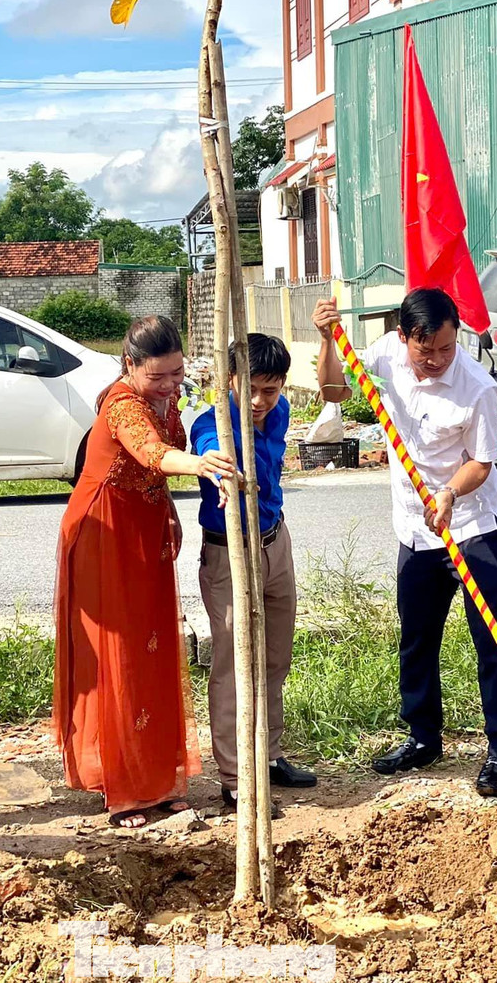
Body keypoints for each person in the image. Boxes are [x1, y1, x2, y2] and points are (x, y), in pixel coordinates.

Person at [313, 290, 497, 797]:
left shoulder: (477, 387)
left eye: (446, 349)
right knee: (416, 637)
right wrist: (327, 340)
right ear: (404, 337)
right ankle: (423, 737)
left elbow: (481, 461)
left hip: (471, 522)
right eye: (424, 350)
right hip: (415, 526)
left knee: (494, 640)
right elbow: (333, 391)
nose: (435, 360)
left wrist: (450, 492)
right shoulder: (386, 354)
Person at [54, 315, 236, 829]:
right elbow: (151, 452)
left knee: (155, 645)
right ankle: (126, 788)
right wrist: (200, 464)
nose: (170, 385)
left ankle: (156, 778)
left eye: (177, 375)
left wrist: (169, 509)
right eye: (158, 377)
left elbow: (152, 472)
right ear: (129, 366)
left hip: (145, 522)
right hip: (104, 531)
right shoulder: (122, 404)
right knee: (121, 655)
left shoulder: (164, 398)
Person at [190, 333, 315, 813]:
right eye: (253, 389)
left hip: (273, 542)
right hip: (230, 555)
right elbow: (210, 455)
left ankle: (268, 755)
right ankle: (235, 778)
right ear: (230, 380)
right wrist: (221, 472)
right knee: (233, 665)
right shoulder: (213, 427)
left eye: (273, 389)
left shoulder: (278, 413)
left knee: (274, 656)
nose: (262, 401)